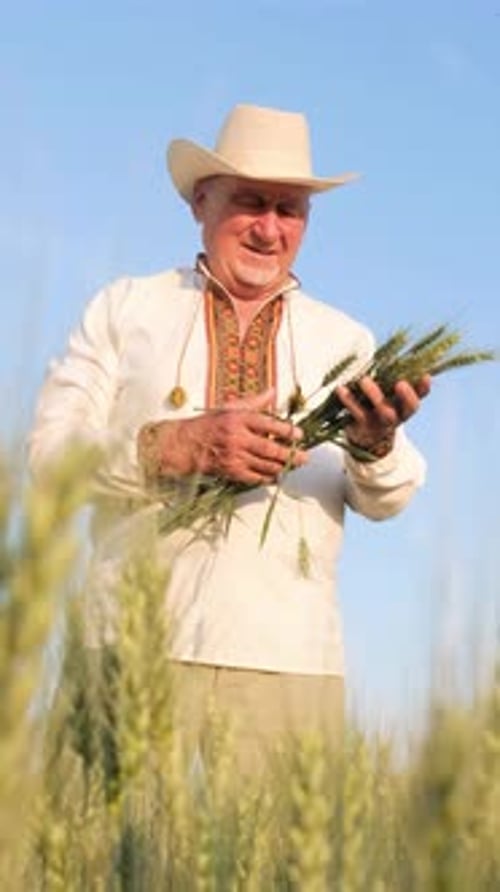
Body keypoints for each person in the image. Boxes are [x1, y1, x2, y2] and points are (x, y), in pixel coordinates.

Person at [29, 103, 430, 769]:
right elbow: (47, 458)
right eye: (250, 202)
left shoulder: (346, 340)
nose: (270, 229)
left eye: (289, 209)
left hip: (287, 665)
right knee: (92, 871)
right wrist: (175, 446)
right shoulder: (125, 307)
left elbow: (391, 499)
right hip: (124, 647)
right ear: (199, 201)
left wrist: (375, 445)